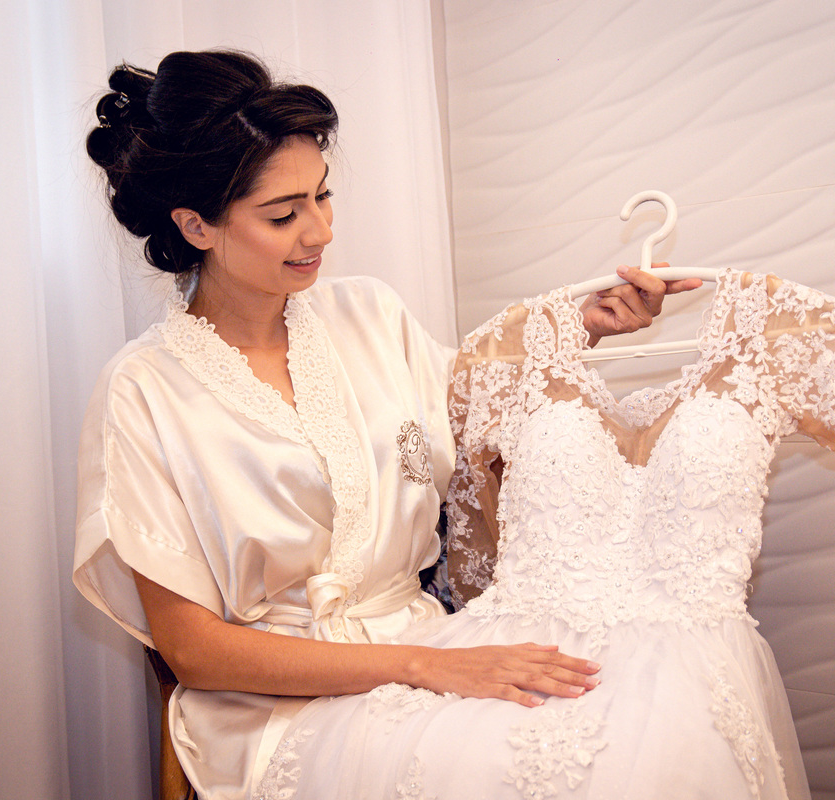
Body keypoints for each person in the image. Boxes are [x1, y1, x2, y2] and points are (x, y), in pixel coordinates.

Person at [72, 49, 698, 799]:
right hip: (278, 707)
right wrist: (424, 666)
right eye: (284, 215)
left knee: (622, 734)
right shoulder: (143, 391)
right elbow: (196, 653)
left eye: (323, 197)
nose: (320, 232)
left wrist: (587, 323)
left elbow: (472, 404)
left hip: (431, 646)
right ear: (196, 225)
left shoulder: (367, 313)